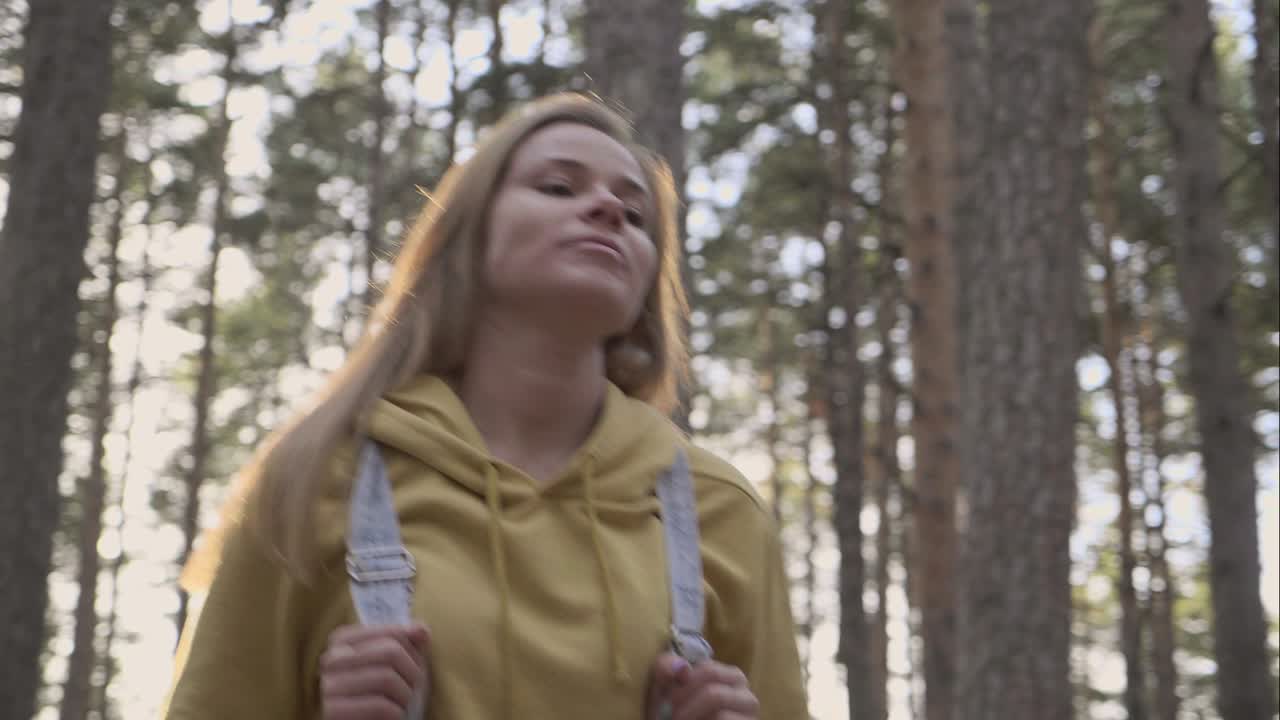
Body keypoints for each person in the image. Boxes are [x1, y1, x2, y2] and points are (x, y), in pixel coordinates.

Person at [163, 92, 807, 720]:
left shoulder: (721, 510)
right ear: (466, 239)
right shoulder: (314, 479)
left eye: (636, 215)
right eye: (559, 187)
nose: (609, 208)